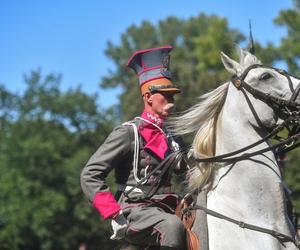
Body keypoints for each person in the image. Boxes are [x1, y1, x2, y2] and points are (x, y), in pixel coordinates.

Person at [80, 46, 188, 250]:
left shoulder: (173, 135)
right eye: (166, 96)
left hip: (169, 205)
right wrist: (113, 212)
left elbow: (185, 170)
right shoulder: (128, 133)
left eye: (173, 96)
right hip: (134, 210)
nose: (172, 102)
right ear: (148, 97)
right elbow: (90, 174)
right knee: (172, 227)